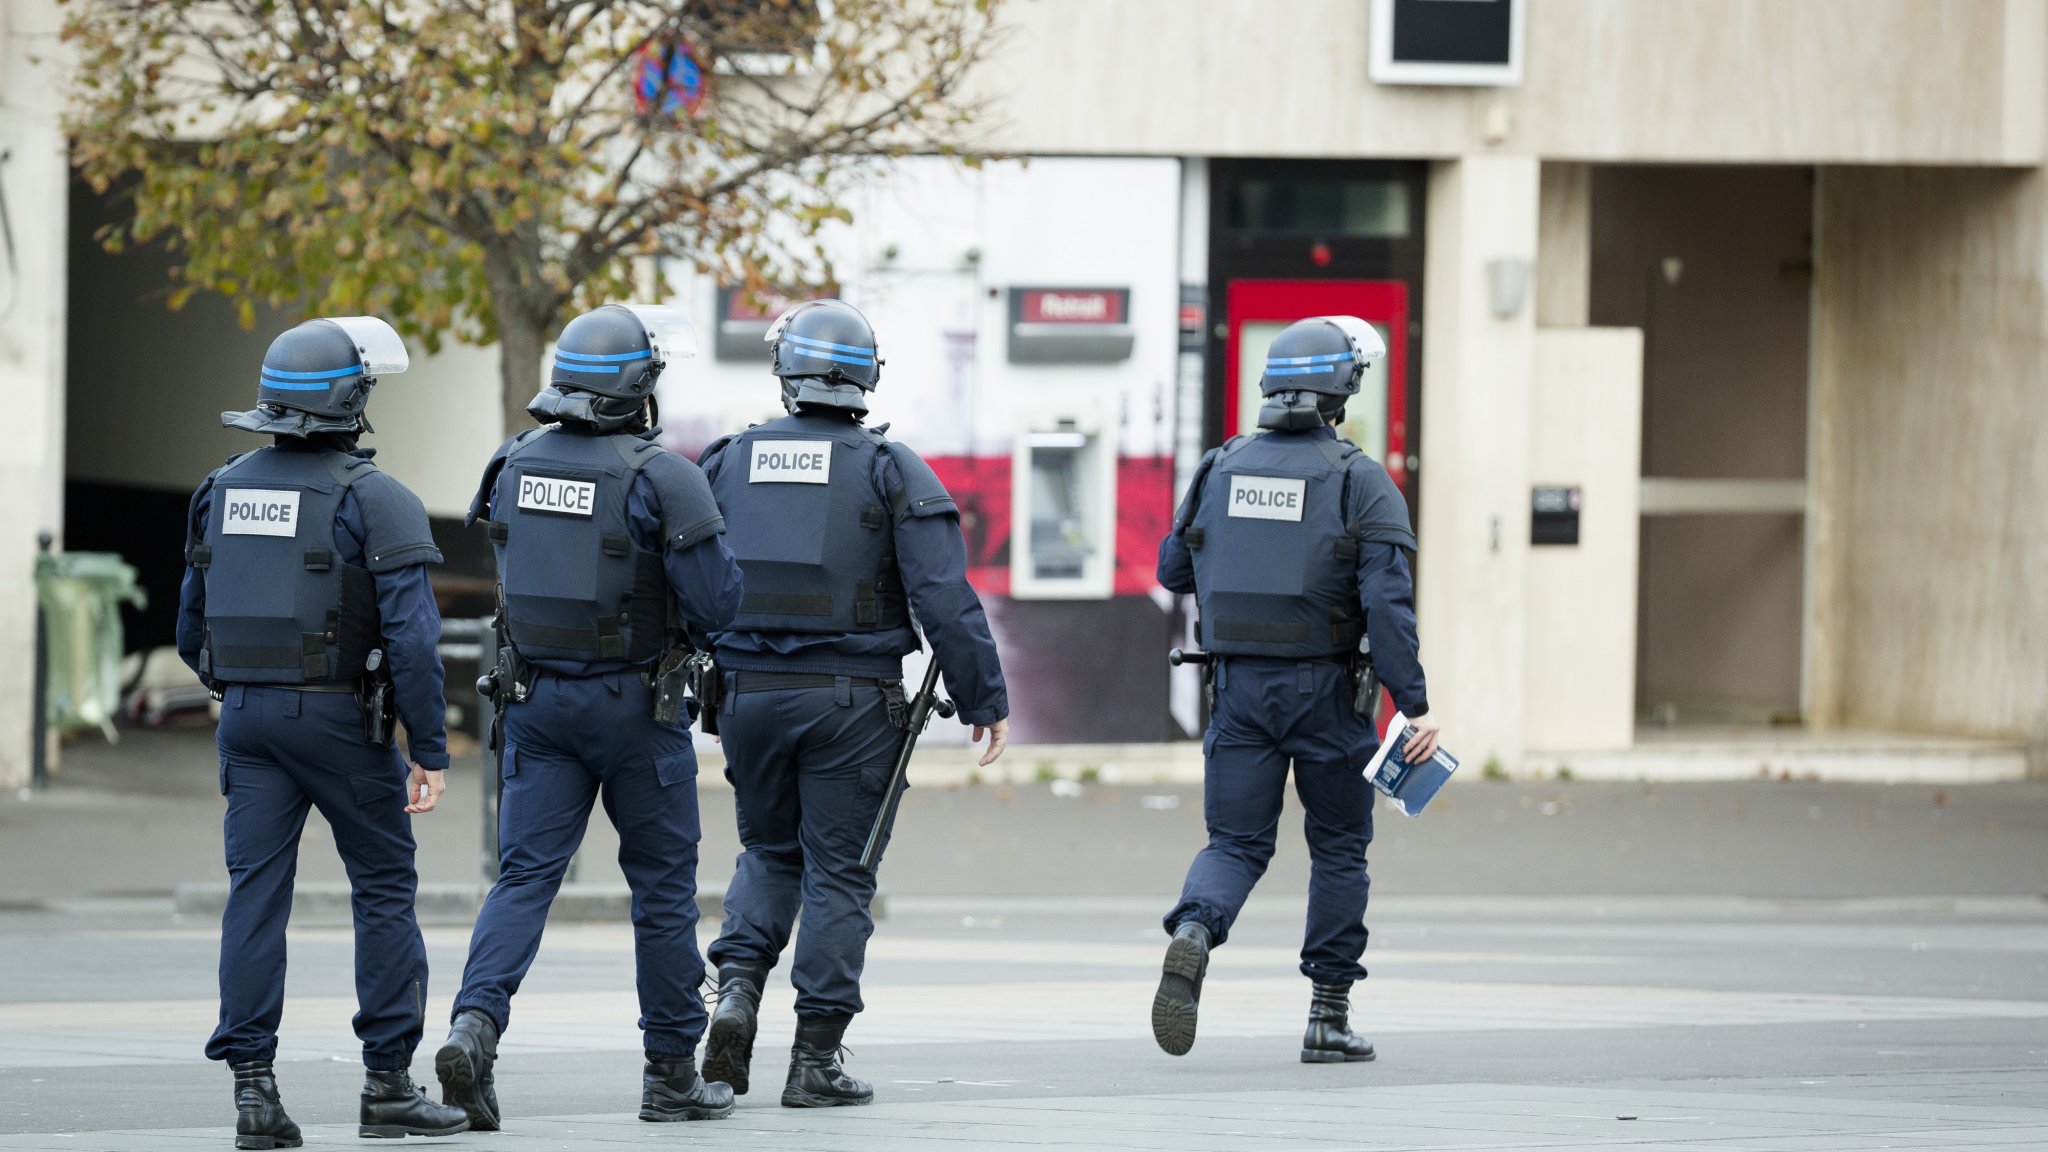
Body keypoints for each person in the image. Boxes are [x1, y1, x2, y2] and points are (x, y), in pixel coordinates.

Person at [432, 303, 743, 1128]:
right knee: (663, 888)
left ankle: (474, 1026)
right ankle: (672, 1073)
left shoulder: (513, 459)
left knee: (525, 877)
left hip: (533, 705)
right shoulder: (664, 475)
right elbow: (718, 605)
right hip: (636, 709)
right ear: (637, 387)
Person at [696, 298, 1008, 1107]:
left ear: (786, 371)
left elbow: (684, 576)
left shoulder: (727, 459)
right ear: (866, 378)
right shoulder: (890, 467)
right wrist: (984, 697)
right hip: (851, 704)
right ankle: (815, 1061)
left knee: (768, 853)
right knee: (840, 872)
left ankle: (734, 992)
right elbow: (944, 597)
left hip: (747, 698)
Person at [177, 316, 469, 1148]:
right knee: (382, 889)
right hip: (341, 722)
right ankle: (386, 1087)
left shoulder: (220, 486)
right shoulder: (377, 499)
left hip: (247, 720)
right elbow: (413, 641)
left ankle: (254, 1096)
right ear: (354, 402)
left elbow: (190, 626)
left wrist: (242, 692)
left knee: (254, 898)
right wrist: (431, 749)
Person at [1151, 315, 1440, 1063]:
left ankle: (1193, 931)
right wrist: (1414, 704)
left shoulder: (1220, 466)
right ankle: (1327, 1017)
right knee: (1340, 846)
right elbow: (1388, 604)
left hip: (1238, 690)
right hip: (1330, 695)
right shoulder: (1359, 478)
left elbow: (1172, 572)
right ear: (1342, 389)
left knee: (1237, 842)